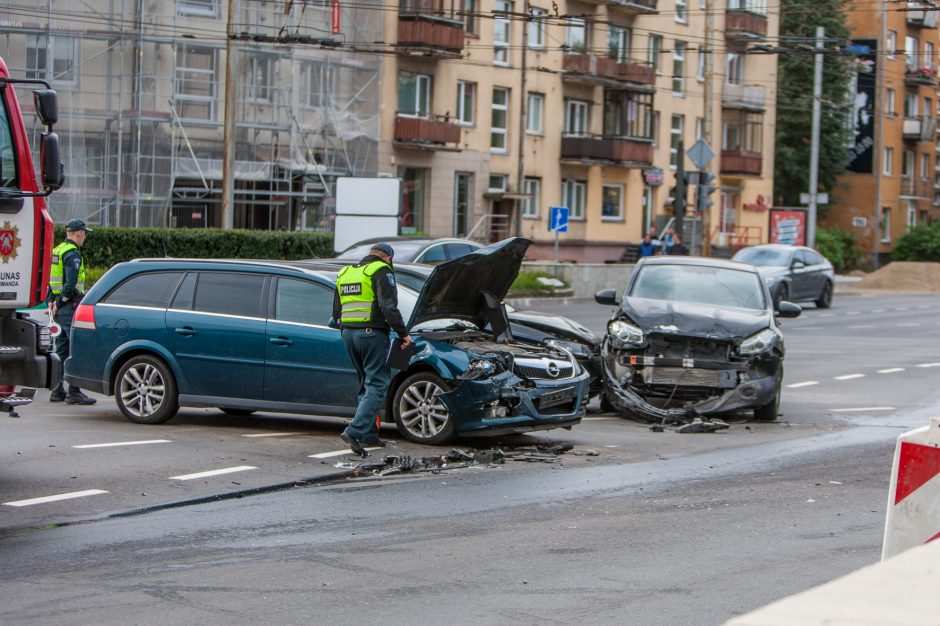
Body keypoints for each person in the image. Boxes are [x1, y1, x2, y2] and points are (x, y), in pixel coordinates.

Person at [332, 242, 413, 457]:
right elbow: (389, 307)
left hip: (348, 335)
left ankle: (369, 434)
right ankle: (355, 431)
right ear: (388, 258)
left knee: (365, 384)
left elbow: (336, 311)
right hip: (371, 335)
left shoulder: (346, 273)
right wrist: (404, 334)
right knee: (378, 383)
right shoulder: (382, 271)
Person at [48, 219, 97, 405]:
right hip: (69, 308)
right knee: (76, 348)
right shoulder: (72, 254)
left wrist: (51, 301)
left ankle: (57, 390)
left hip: (60, 309)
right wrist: (60, 303)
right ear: (78, 233)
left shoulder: (58, 250)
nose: (85, 236)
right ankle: (74, 392)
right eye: (84, 233)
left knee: (61, 350)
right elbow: (69, 286)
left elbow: (53, 280)